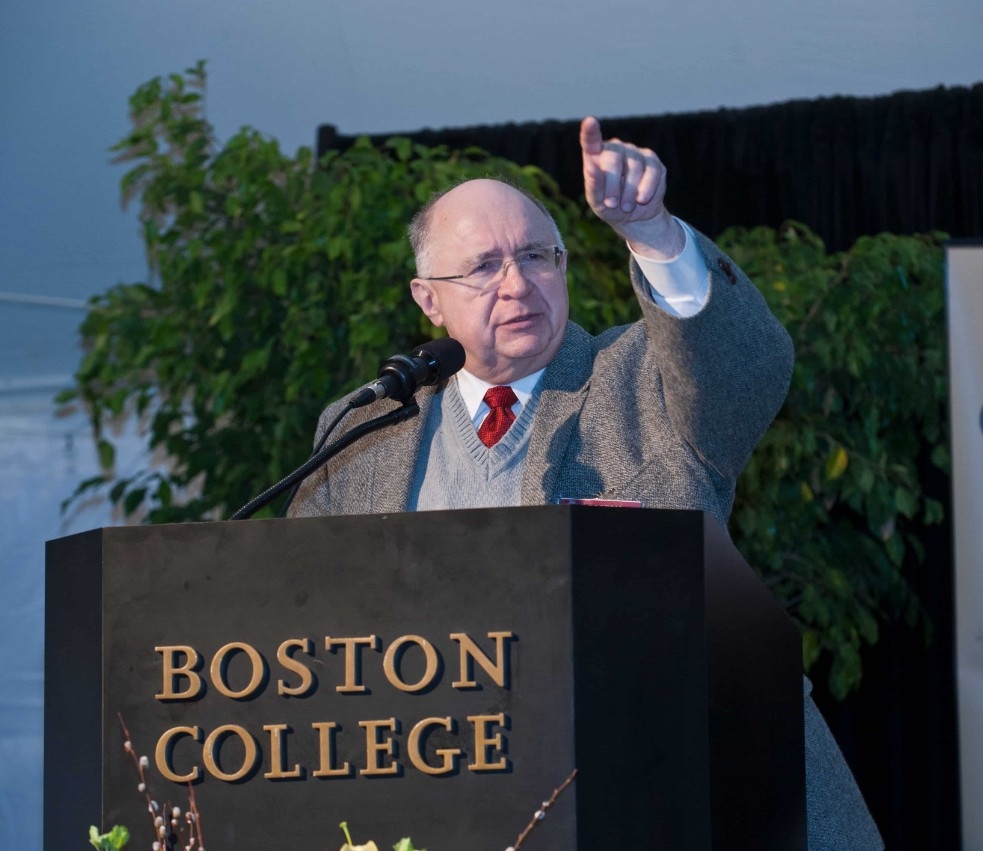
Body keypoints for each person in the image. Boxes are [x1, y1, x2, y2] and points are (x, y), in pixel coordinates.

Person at [289, 117, 883, 849]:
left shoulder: (642, 380)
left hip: (697, 793)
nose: (517, 283)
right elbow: (306, 632)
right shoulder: (364, 431)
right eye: (482, 266)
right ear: (427, 299)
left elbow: (746, 370)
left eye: (537, 255)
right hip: (448, 809)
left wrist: (652, 231)